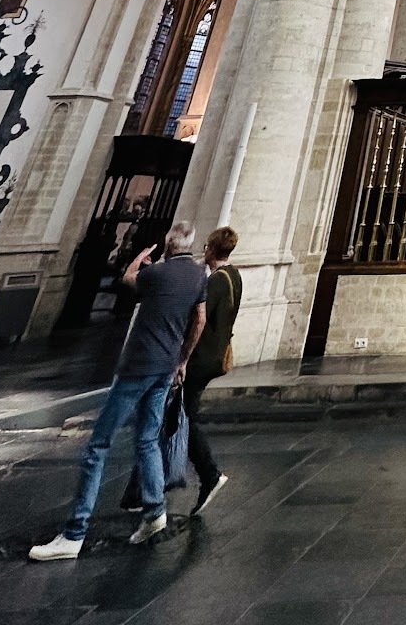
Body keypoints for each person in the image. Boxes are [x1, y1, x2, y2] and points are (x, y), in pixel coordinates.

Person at [29, 220, 208, 560]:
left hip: (137, 366)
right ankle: (154, 511)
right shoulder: (199, 276)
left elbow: (127, 279)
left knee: (98, 445)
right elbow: (199, 319)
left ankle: (74, 533)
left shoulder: (155, 274)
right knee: (147, 440)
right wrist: (183, 359)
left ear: (168, 244)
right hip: (166, 367)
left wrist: (139, 258)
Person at [119, 225, 241, 518]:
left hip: (197, 361)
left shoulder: (214, 282)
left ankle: (207, 474)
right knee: (166, 419)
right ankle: (142, 491)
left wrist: (181, 359)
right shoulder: (233, 275)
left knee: (177, 418)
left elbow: (195, 317)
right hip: (211, 358)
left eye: (206, 247)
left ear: (210, 248)